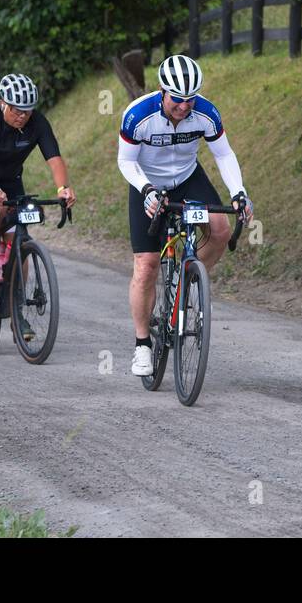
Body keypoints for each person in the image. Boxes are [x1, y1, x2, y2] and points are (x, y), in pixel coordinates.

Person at [117, 54, 252, 377]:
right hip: (147, 183)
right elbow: (125, 162)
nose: (184, 106)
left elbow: (223, 153)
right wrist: (146, 189)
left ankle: (189, 280)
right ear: (164, 92)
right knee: (146, 265)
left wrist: (238, 192)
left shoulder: (206, 113)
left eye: (190, 99)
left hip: (188, 178)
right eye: (177, 100)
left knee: (220, 230)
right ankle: (142, 345)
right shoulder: (138, 115)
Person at [0, 73, 75, 288]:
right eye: (16, 110)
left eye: (28, 110)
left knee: (18, 243)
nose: (22, 116)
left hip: (11, 178)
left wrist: (63, 188)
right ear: (2, 103)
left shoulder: (38, 123)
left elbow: (55, 160)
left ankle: (17, 308)